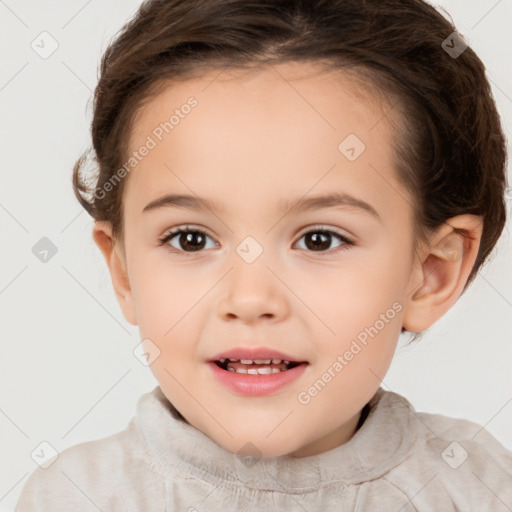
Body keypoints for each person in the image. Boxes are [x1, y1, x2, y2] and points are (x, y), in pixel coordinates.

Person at [16, 0, 512, 509]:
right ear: (123, 271)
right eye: (191, 239)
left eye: (320, 239)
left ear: (431, 272)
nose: (250, 299)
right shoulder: (74, 497)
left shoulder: (479, 489)